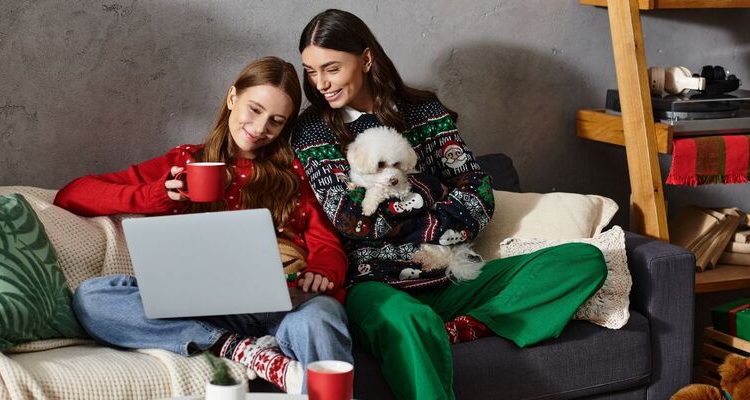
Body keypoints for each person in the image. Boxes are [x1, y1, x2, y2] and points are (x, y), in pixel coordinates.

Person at [290, 10, 608, 400]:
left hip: (453, 277)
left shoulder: (424, 112)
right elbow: (352, 218)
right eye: (311, 71)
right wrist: (432, 197)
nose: (321, 83)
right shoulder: (312, 131)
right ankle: (433, 328)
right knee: (410, 319)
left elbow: (478, 192)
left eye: (331, 68)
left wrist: (412, 215)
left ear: (366, 59)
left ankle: (468, 325)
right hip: (375, 285)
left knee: (583, 261)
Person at [54, 57, 352, 395]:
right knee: (92, 299)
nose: (260, 127)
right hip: (205, 311)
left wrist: (323, 269)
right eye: (254, 109)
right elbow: (71, 194)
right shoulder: (185, 163)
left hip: (284, 304)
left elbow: (327, 244)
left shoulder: (292, 174)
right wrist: (155, 196)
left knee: (320, 319)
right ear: (232, 98)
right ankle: (241, 351)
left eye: (276, 121)